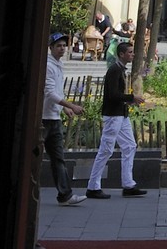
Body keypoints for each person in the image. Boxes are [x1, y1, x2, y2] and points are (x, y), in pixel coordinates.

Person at [85, 41, 147, 199]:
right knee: (106, 149)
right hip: (114, 115)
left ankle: (128, 184)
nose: (133, 54)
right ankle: (93, 186)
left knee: (129, 146)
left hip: (120, 114)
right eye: (130, 52)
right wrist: (132, 97)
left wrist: (129, 100)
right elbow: (112, 95)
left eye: (133, 52)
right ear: (121, 54)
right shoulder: (114, 70)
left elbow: (115, 95)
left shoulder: (119, 70)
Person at [42, 33, 86, 206]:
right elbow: (50, 92)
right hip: (44, 119)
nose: (62, 48)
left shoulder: (58, 65)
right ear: (51, 47)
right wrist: (72, 105)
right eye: (58, 45)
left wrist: (65, 107)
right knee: (38, 157)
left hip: (54, 117)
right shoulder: (48, 65)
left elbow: (56, 92)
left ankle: (65, 195)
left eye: (63, 45)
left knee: (58, 158)